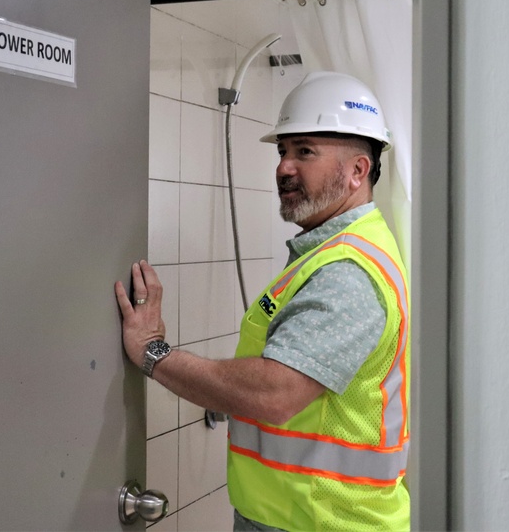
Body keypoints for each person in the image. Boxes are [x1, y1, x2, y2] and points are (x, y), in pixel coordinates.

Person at [115, 71, 410, 531]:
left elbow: (274, 393)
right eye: (283, 150)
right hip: (294, 515)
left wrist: (154, 353)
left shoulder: (347, 271)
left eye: (305, 151)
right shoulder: (332, 252)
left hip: (323, 522)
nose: (284, 167)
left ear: (358, 170)